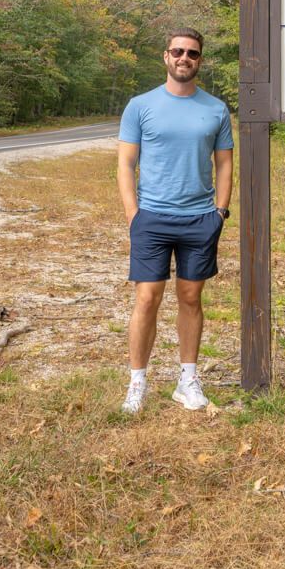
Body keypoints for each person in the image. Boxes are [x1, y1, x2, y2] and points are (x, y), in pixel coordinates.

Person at [117, 28, 234, 414]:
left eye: (193, 54)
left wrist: (220, 210)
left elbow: (224, 163)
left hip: (200, 218)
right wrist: (134, 215)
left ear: (200, 61)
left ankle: (187, 380)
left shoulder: (215, 109)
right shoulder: (140, 105)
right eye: (178, 51)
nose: (185, 58)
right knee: (147, 298)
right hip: (151, 217)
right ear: (166, 56)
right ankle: (138, 382)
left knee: (190, 297)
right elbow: (125, 163)